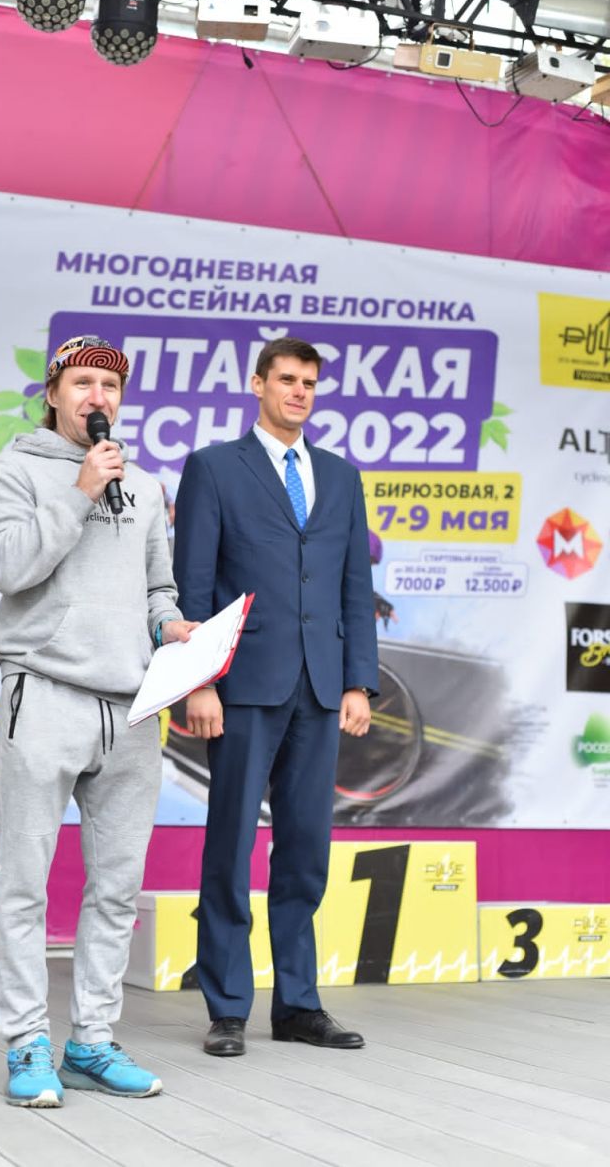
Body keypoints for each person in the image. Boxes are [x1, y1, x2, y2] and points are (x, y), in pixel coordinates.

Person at [0, 334, 196, 1107]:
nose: (97, 396)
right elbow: (9, 568)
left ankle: (92, 1042)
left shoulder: (145, 486)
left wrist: (173, 628)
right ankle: (27, 1044)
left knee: (116, 888)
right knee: (23, 884)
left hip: (130, 710)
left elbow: (158, 590)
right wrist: (77, 491)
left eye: (110, 385)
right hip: (44, 693)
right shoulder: (14, 471)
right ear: (53, 393)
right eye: (82, 382)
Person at [173, 335, 379, 1057]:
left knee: (305, 851)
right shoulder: (213, 468)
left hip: (320, 688)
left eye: (309, 383)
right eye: (286, 379)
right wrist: (199, 680)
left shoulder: (341, 477)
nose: (298, 392)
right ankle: (227, 1006)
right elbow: (194, 583)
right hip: (242, 685)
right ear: (257, 383)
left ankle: (298, 1005)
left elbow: (354, 585)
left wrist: (357, 681)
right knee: (230, 845)